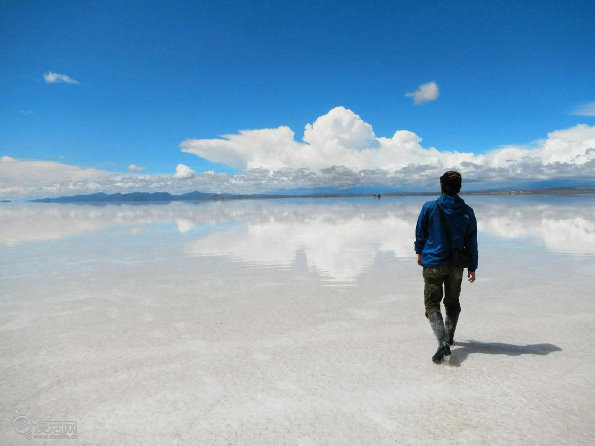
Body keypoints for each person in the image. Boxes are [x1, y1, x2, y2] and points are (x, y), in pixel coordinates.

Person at [414, 171, 478, 364]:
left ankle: (443, 343)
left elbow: (420, 233)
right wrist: (472, 267)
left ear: (441, 185)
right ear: (459, 187)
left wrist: (419, 253)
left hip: (433, 262)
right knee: (452, 303)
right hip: (456, 266)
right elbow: (472, 242)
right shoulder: (467, 211)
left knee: (432, 304)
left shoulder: (429, 207)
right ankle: (449, 337)